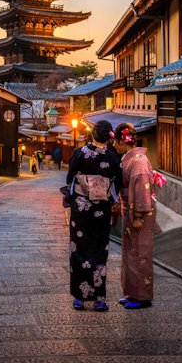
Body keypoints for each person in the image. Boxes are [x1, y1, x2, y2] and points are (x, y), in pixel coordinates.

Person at [61, 120, 122, 311]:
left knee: (78, 250)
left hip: (81, 210)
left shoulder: (80, 153)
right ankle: (99, 298)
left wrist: (78, 193)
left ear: (93, 135)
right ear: (109, 137)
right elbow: (116, 185)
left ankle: (79, 297)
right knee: (99, 251)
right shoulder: (113, 158)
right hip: (101, 210)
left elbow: (70, 178)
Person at [113, 122, 161, 309]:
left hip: (139, 211)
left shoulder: (138, 161)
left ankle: (142, 296)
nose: (114, 146)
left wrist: (139, 216)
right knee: (130, 251)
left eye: (115, 142)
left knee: (140, 253)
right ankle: (131, 292)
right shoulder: (130, 158)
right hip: (130, 209)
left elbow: (141, 190)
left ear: (121, 141)